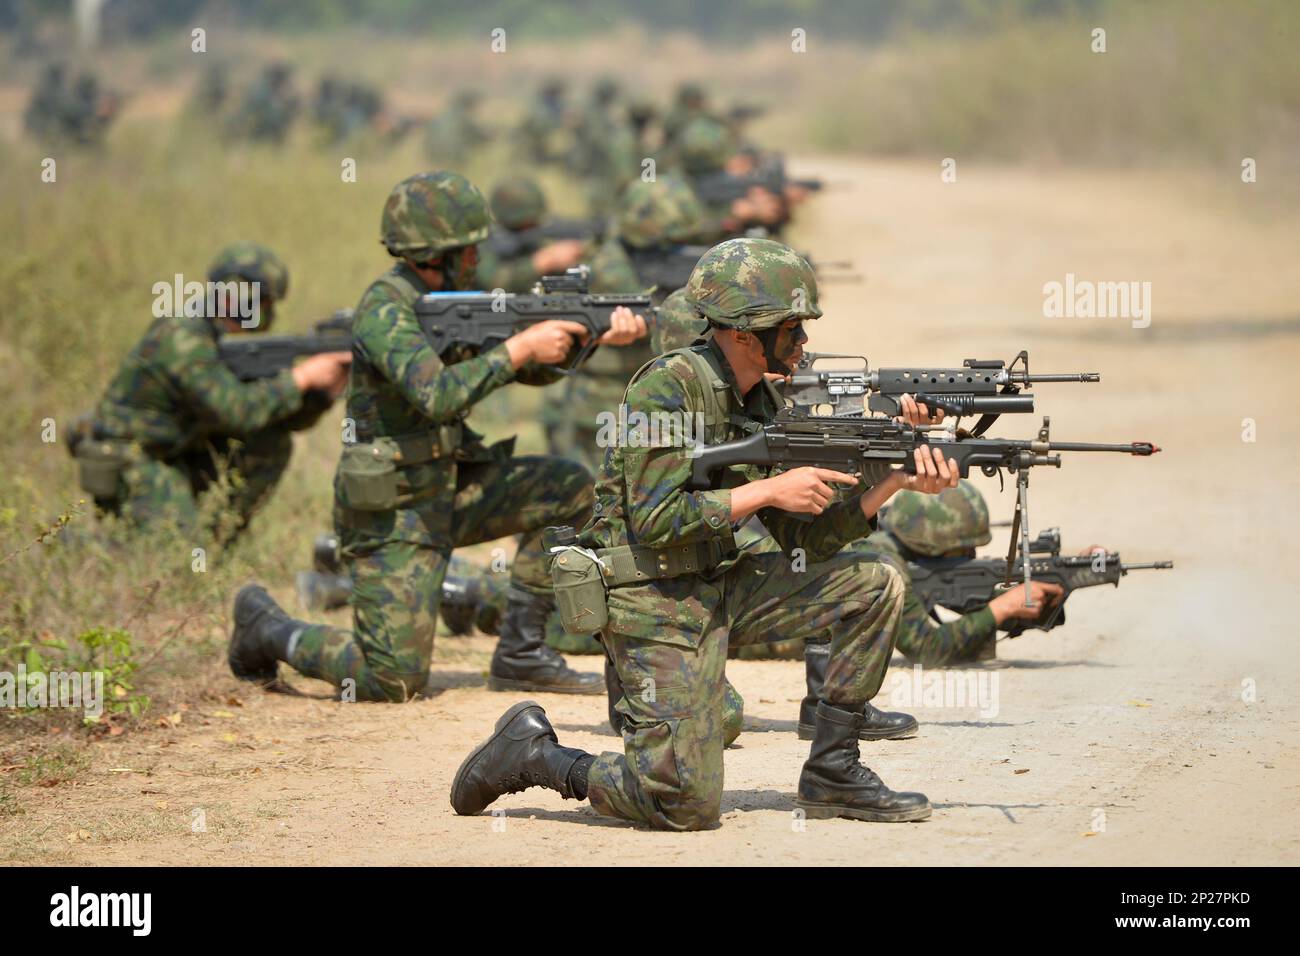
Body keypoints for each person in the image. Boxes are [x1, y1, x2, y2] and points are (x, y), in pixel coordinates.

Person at [452, 237, 960, 830]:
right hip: (650, 598)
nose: (803, 344)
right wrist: (767, 491)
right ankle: (536, 755)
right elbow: (656, 521)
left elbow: (804, 544)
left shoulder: (765, 398)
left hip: (717, 585)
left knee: (875, 583)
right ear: (743, 333)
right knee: (682, 804)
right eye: (791, 330)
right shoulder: (665, 388)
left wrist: (891, 481)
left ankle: (834, 772)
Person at [227, 171, 647, 702]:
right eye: (470, 249)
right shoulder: (386, 308)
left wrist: (583, 341)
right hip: (394, 512)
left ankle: (521, 651)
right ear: (437, 253)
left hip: (450, 487)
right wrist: (518, 350)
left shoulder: (450, 299)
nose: (478, 258)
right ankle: (267, 628)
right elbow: (439, 395)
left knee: (567, 487)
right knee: (392, 679)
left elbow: (521, 371)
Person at [70, 243, 350, 540]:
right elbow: (236, 412)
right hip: (133, 455)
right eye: (263, 301)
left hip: (177, 450)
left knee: (270, 442)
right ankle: (73, 544)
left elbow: (275, 419)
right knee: (172, 561)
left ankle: (214, 543)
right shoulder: (183, 338)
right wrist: (301, 377)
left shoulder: (226, 342)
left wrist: (320, 394)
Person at [866, 482, 1065, 666]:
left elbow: (965, 599)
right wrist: (1001, 608)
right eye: (963, 551)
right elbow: (926, 650)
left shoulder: (904, 543)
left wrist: (1044, 593)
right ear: (930, 544)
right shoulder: (881, 565)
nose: (970, 556)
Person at [475, 177, 588, 294]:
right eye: (522, 225)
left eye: (532, 223)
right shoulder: (483, 242)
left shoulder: (536, 241)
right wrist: (541, 262)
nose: (530, 230)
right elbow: (493, 284)